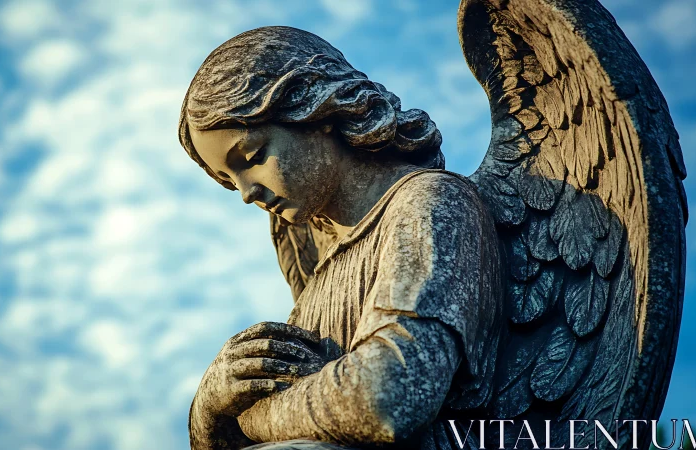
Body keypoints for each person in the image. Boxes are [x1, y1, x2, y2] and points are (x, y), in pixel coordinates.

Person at [178, 26, 502, 450]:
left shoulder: (429, 204)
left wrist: (247, 419)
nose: (246, 192)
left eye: (253, 157)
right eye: (228, 179)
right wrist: (209, 406)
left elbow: (389, 398)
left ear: (317, 110)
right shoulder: (317, 265)